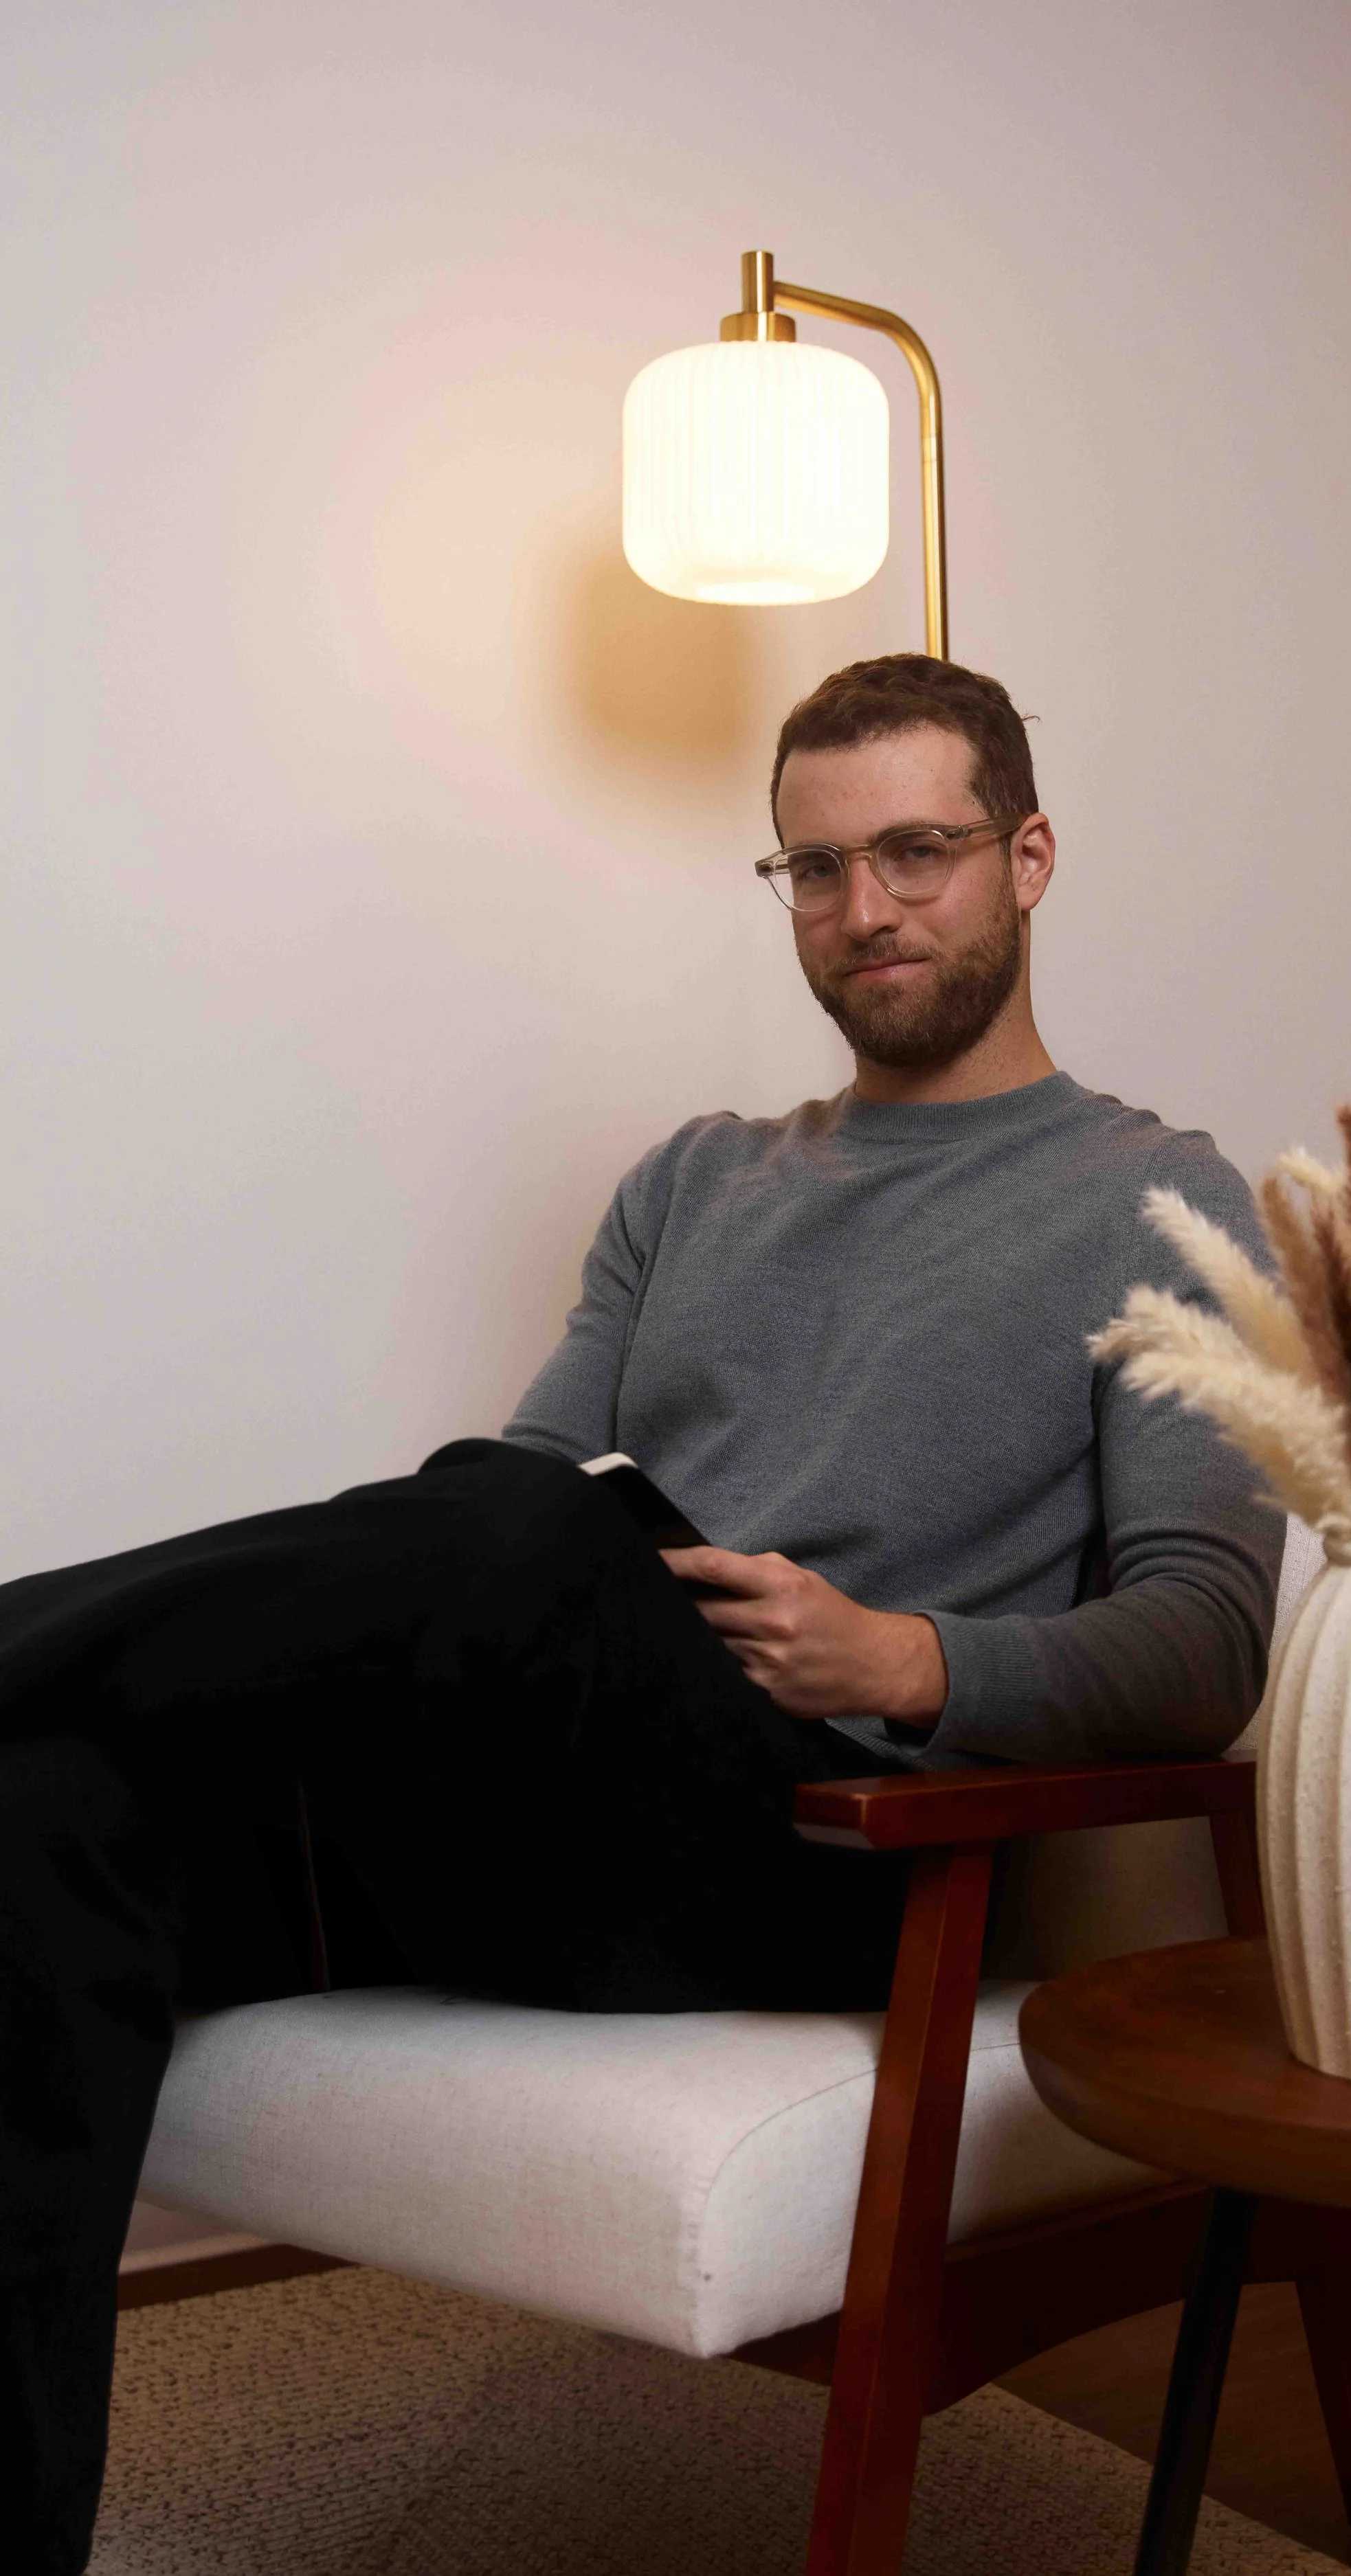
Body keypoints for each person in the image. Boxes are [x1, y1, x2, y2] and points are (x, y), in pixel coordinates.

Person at [0, 653, 1280, 2572]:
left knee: (519, 1528)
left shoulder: (1157, 1200)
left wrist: (905, 1658)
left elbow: (1207, 1634)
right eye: (815, 867)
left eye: (916, 852)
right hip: (560, 1778)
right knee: (41, 1814)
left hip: (821, 1832)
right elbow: (510, 1509)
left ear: (1026, 857)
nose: (865, 907)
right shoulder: (694, 1179)